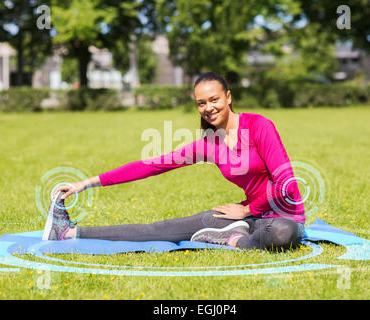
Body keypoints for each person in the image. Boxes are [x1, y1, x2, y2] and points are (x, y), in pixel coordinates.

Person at [42, 72, 305, 251]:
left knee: (283, 234)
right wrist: (85, 184)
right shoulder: (209, 144)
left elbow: (287, 183)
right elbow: (151, 165)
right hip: (245, 217)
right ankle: (69, 233)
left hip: (282, 216)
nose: (208, 108)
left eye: (214, 99)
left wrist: (247, 210)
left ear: (228, 97)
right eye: (201, 103)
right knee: (164, 229)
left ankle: (234, 241)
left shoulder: (259, 126)